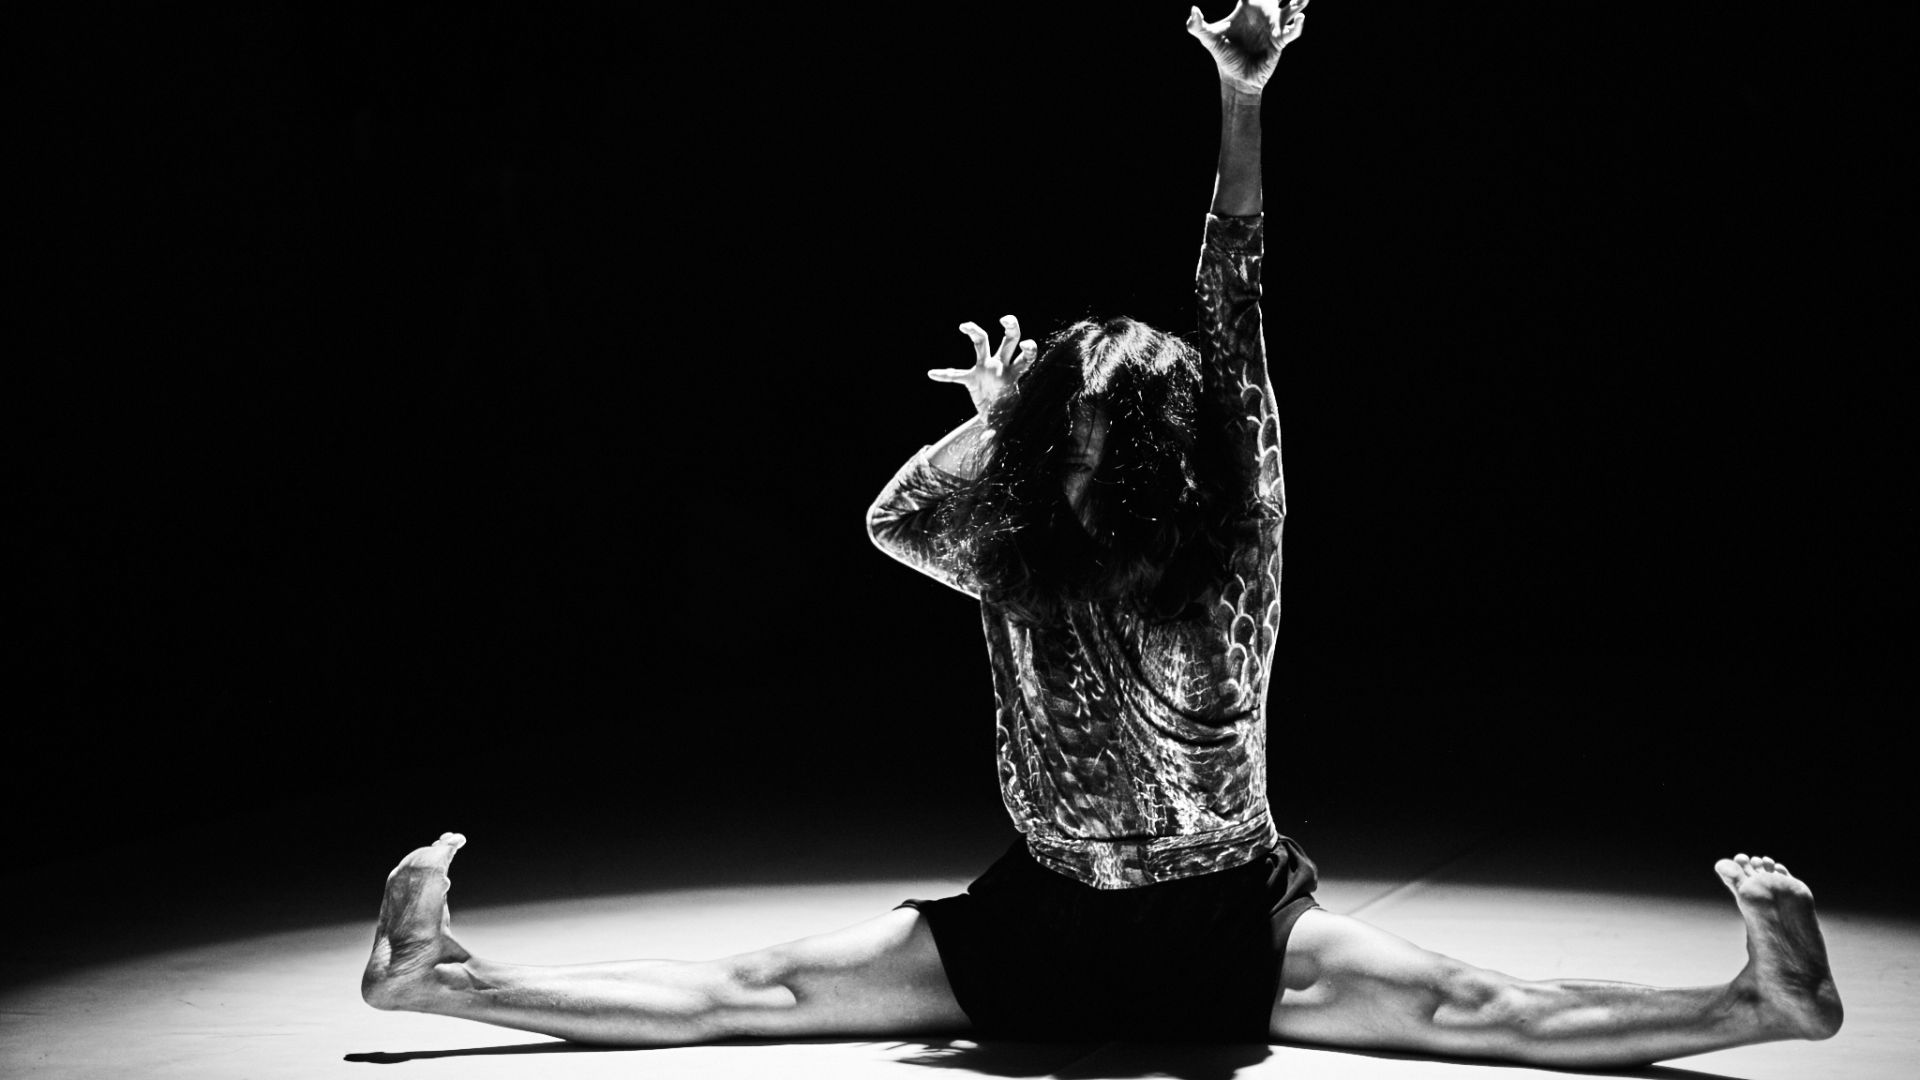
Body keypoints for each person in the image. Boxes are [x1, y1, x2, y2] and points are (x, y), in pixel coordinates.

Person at [361, 3, 1842, 1066]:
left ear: (1165, 447)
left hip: (1228, 920)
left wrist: (1243, 98)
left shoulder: (1236, 541)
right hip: (1042, 921)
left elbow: (1235, 301)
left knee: (1478, 1010)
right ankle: (437, 978)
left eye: (1103, 419)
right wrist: (993, 419)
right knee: (754, 991)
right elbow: (892, 517)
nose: (1090, 435)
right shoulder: (1012, 554)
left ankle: (1759, 1005)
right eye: (1073, 417)